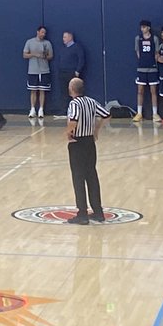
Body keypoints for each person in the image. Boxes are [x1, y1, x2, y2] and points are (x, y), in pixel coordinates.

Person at [66, 77, 110, 224]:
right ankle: (98, 212)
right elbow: (106, 115)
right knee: (92, 176)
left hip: (77, 143)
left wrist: (68, 133)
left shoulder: (74, 103)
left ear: (72, 89)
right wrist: (96, 130)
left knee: (78, 178)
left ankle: (82, 214)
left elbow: (74, 119)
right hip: (90, 143)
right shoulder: (91, 101)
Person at [133, 19, 161, 123]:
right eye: (141, 27)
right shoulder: (138, 38)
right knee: (140, 91)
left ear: (148, 28)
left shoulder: (154, 39)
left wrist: (153, 62)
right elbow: (138, 52)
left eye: (144, 27)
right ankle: (139, 113)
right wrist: (142, 61)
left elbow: (156, 53)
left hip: (152, 68)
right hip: (141, 68)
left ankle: (155, 114)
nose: (142, 29)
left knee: (153, 91)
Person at [23, 25, 53, 121]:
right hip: (33, 70)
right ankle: (32, 109)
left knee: (42, 90)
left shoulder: (47, 43)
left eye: (44, 33)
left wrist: (44, 56)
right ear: (38, 32)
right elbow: (24, 55)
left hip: (44, 70)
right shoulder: (29, 42)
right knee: (33, 90)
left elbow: (50, 56)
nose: (43, 34)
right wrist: (34, 54)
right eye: (42, 32)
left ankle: (41, 109)